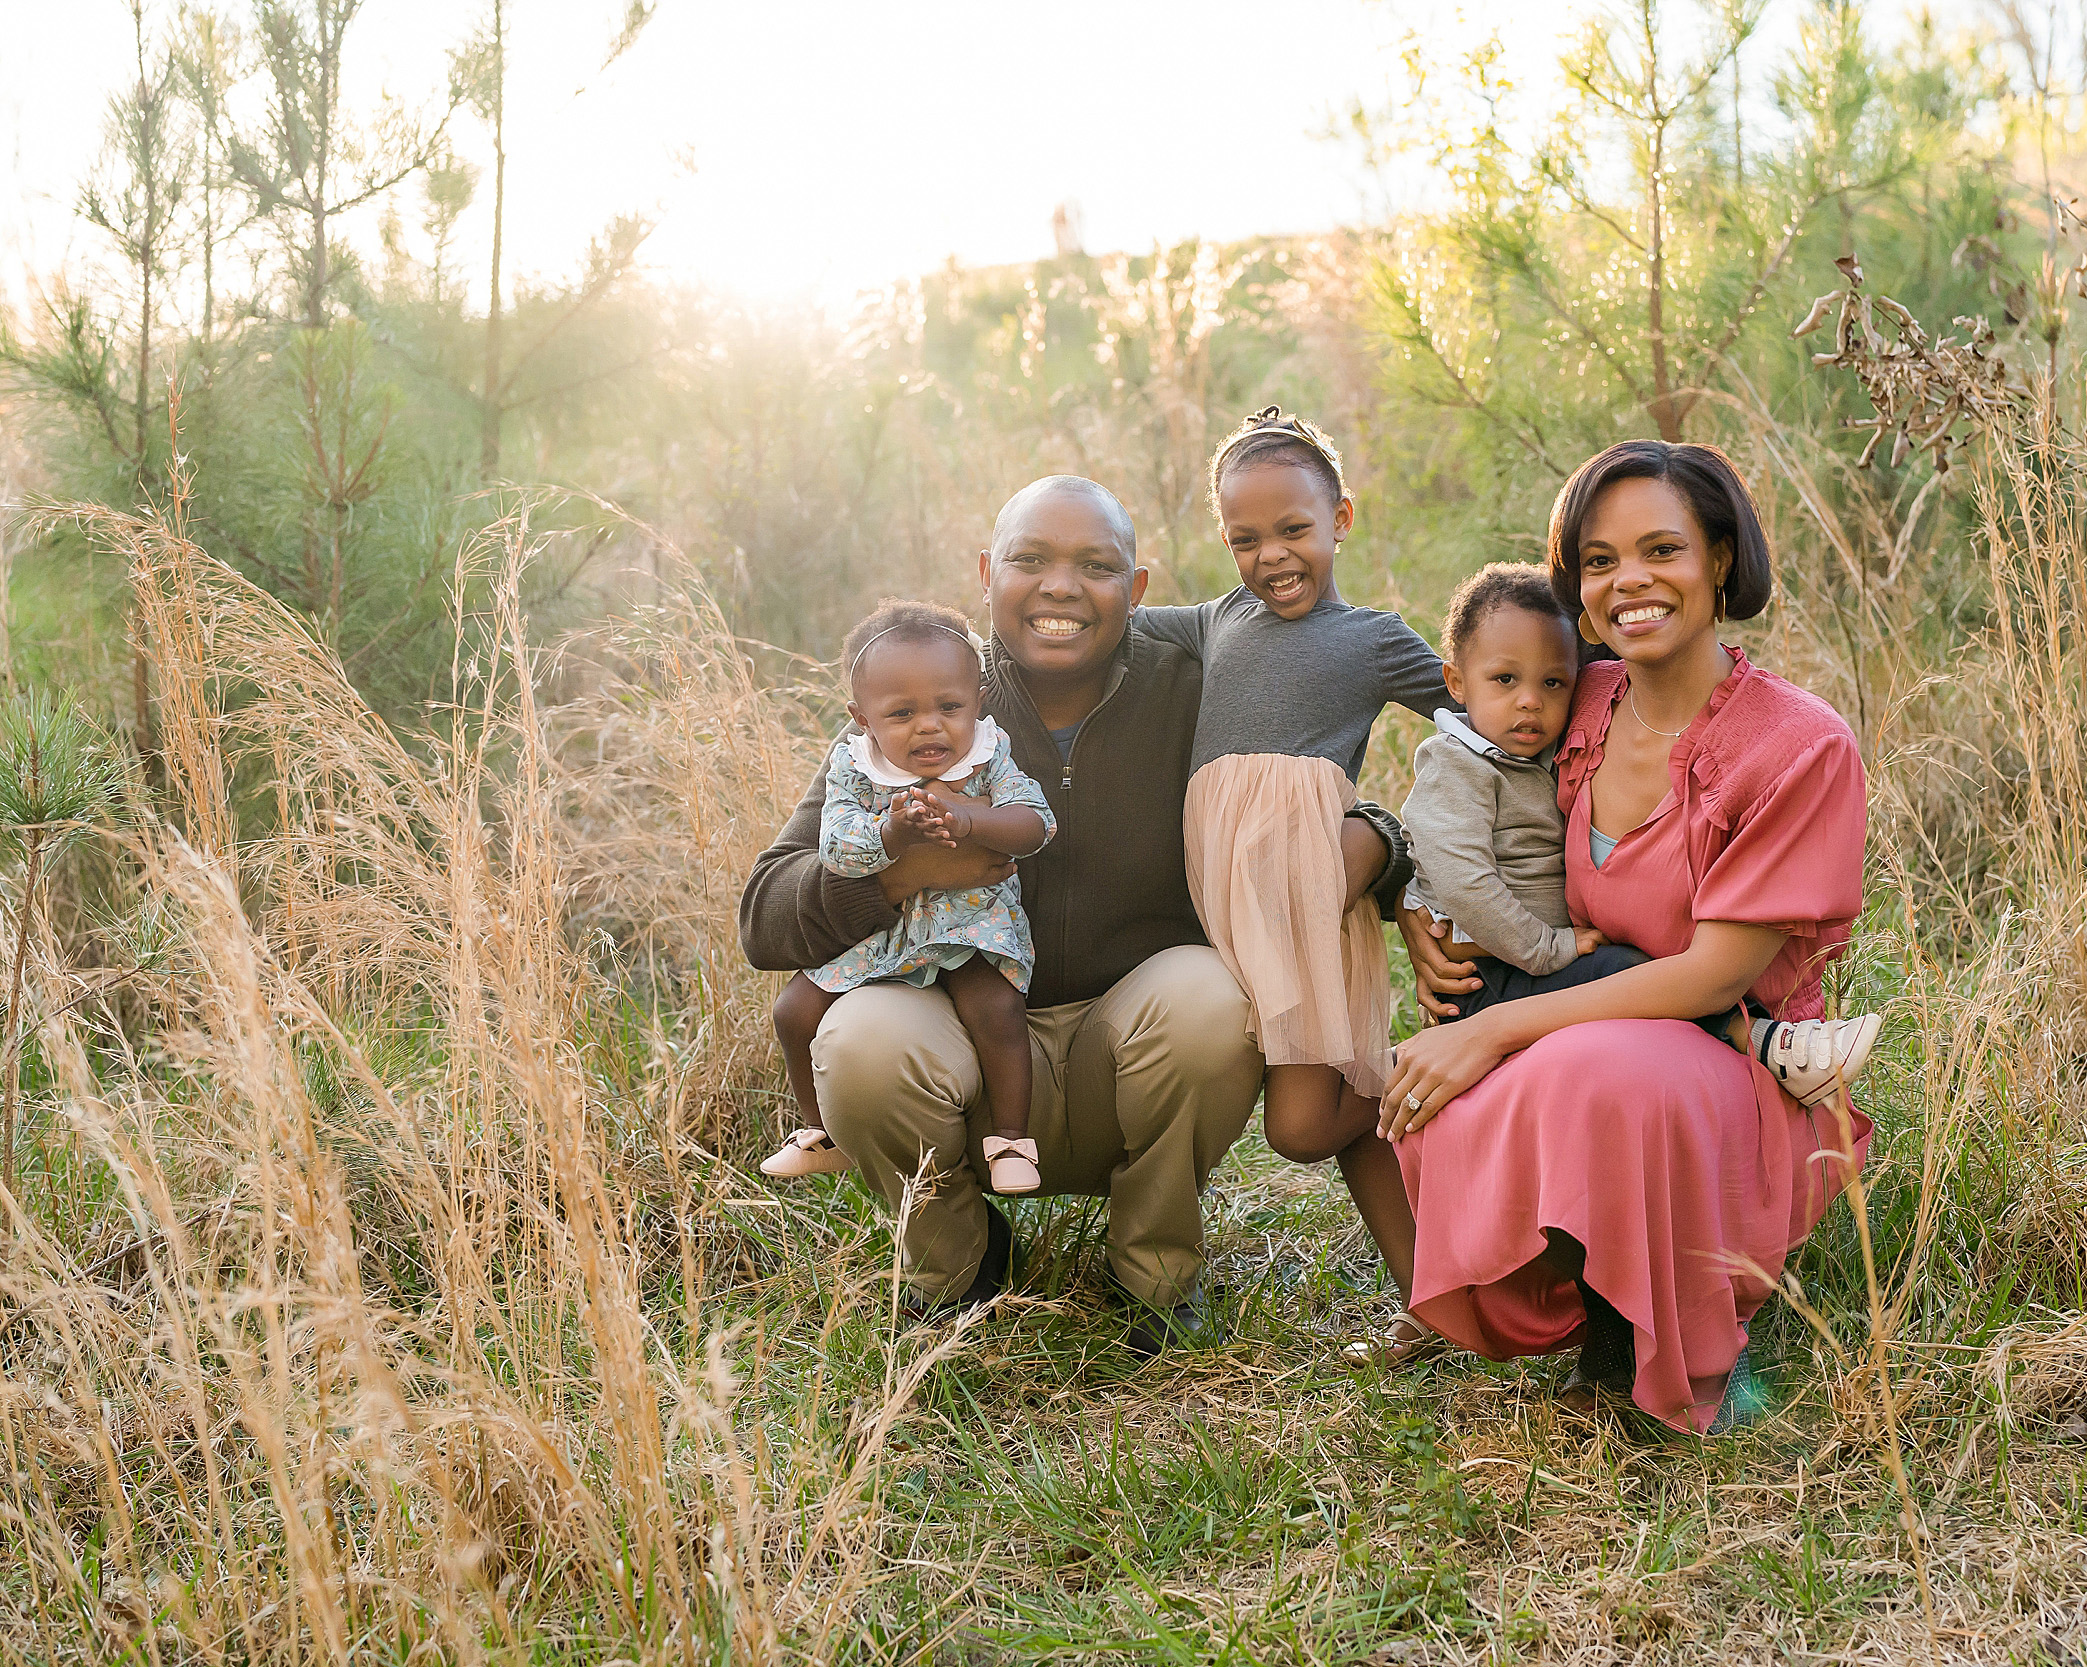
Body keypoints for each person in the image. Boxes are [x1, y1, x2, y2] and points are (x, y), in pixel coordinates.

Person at [739, 475, 1402, 1353]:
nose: (1060, 585)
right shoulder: (924, 702)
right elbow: (766, 913)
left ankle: (1155, 1273)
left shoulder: (1198, 686)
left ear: (1136, 591)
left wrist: (1380, 841)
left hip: (1123, 1050)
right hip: (958, 1050)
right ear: (986, 574)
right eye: (1030, 559)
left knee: (1211, 997)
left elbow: (1301, 787)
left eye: (1095, 565)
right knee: (859, 1038)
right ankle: (953, 1272)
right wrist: (902, 873)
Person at [1380, 439, 1876, 1430]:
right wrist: (1413, 907)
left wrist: (1491, 1029)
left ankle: (1643, 1361)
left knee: (1599, 1071)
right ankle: (1563, 1291)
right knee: (1448, 1080)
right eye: (1600, 561)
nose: (1629, 581)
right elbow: (1459, 797)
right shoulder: (1575, 698)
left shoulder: (1797, 745)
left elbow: (1708, 975)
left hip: (1738, 1060)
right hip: (1582, 1019)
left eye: (1662, 549)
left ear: (1721, 559)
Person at [1126, 406, 1448, 1326]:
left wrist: (1403, 842)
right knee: (1326, 1116)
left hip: (1315, 892)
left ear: (1341, 519)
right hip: (1228, 907)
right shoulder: (1217, 619)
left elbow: (1479, 714)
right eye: (1245, 537)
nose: (1272, 555)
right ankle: (1434, 1299)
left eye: (1295, 529)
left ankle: (1417, 1092)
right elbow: (1114, 623)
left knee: (1305, 1127)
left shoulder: (1374, 638)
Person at [759, 600, 1056, 1195]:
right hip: (884, 933)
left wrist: (972, 821)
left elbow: (1035, 824)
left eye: (950, 706)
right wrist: (894, 836)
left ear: (978, 699)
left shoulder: (988, 755)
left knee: (994, 1008)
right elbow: (837, 848)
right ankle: (821, 1135)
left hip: (970, 923)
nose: (930, 726)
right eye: (901, 713)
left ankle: (1012, 1143)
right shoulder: (854, 766)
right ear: (861, 717)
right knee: (793, 1009)